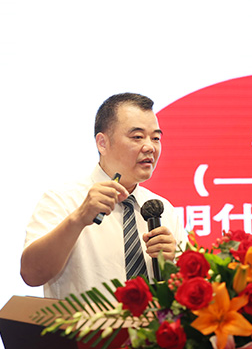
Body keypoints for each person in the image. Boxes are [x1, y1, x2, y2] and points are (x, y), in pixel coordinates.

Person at [21, 93, 187, 298]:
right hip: (83, 320)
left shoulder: (163, 210)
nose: (150, 147)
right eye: (137, 137)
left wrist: (173, 263)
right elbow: (31, 274)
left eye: (156, 138)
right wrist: (79, 218)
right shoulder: (63, 200)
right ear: (102, 143)